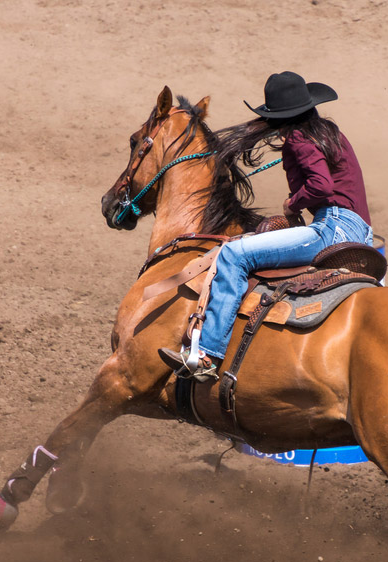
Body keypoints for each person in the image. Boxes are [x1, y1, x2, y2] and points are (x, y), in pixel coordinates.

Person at [159, 71, 373, 381]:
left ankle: (207, 354)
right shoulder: (329, 134)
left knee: (234, 255)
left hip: (333, 227)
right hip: (360, 233)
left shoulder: (299, 138)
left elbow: (322, 186)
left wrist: (293, 203)